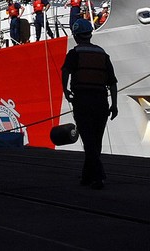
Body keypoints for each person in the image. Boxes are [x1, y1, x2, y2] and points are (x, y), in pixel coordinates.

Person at [61, 19, 118, 189]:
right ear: (90, 34)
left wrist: (65, 90)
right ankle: (87, 177)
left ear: (76, 36)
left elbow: (65, 71)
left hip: (83, 100)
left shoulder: (74, 53)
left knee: (88, 140)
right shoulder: (102, 54)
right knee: (96, 141)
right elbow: (113, 82)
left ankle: (98, 177)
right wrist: (114, 105)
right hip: (101, 101)